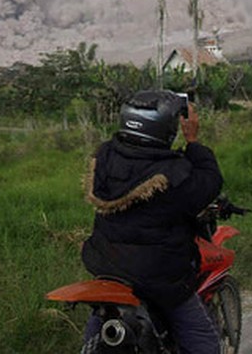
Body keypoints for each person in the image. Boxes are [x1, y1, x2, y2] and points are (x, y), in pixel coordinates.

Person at [81, 90, 223, 353]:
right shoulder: (174, 174)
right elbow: (209, 183)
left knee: (101, 325)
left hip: (107, 266)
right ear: (166, 129)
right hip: (156, 276)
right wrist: (193, 141)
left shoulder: (104, 156)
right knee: (206, 343)